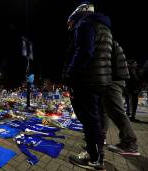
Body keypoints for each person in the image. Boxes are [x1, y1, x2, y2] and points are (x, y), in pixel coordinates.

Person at [64, 3, 113, 170]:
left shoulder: (84, 24)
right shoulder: (104, 27)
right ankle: (95, 154)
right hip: (102, 79)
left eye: (71, 23)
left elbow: (84, 51)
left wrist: (70, 73)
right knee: (95, 119)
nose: (71, 27)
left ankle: (95, 159)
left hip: (88, 79)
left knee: (89, 120)